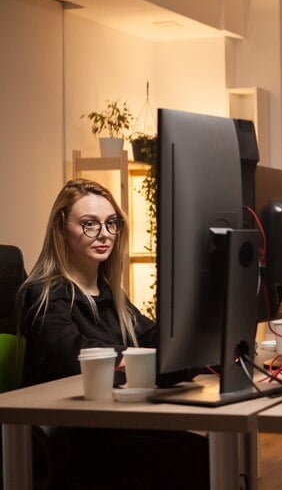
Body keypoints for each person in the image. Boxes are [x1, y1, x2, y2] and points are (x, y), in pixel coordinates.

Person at [18, 179, 208, 489]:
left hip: (111, 424)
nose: (104, 234)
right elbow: (77, 355)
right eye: (89, 224)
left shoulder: (108, 294)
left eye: (110, 223)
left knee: (200, 452)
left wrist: (192, 337)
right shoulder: (43, 296)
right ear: (61, 228)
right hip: (71, 439)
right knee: (196, 459)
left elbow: (149, 336)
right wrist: (148, 359)